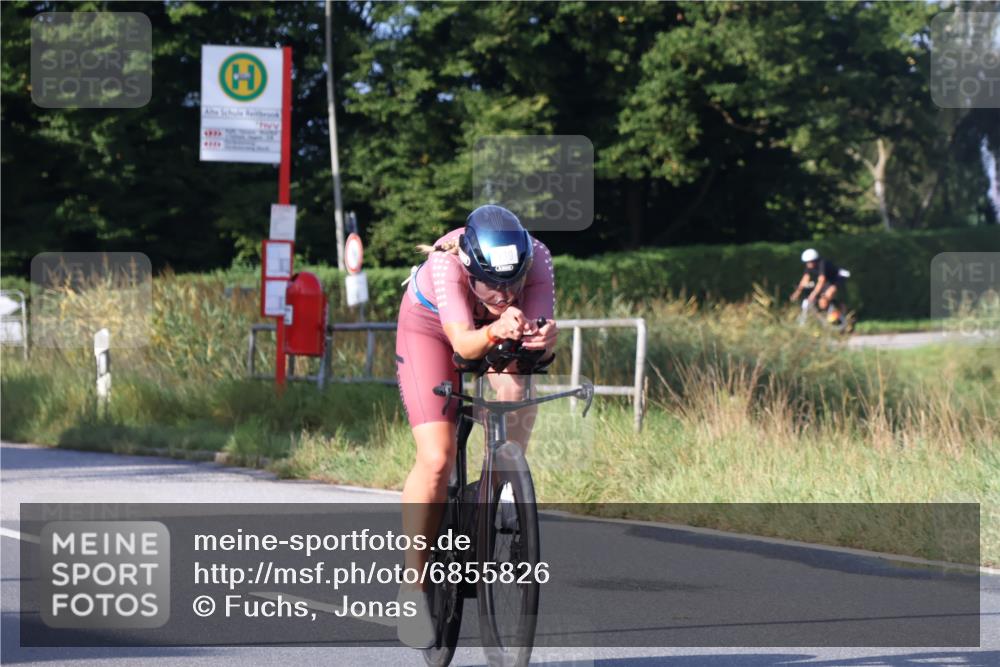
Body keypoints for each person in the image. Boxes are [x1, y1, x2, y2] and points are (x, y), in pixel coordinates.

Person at [393, 204, 557, 648]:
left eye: (514, 284)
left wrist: (542, 342)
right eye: (491, 284)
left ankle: (501, 487)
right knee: (436, 457)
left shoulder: (538, 258)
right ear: (470, 268)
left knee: (515, 387)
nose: (504, 294)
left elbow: (535, 348)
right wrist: (496, 329)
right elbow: (464, 344)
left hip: (493, 332)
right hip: (431, 331)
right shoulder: (446, 265)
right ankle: (413, 586)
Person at [790, 248, 848, 324]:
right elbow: (804, 280)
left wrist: (813, 294)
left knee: (828, 294)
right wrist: (797, 293)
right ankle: (831, 316)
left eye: (810, 262)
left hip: (837, 278)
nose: (808, 264)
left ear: (815, 260)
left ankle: (840, 312)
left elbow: (821, 281)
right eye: (807, 262)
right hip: (828, 281)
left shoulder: (822, 263)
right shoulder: (809, 265)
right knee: (822, 303)